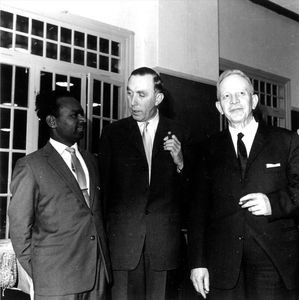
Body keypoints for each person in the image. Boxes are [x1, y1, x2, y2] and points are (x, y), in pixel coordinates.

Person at [188, 69, 299, 300]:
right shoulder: (206, 149)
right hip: (223, 267)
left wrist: (275, 203)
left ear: (254, 100)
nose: (235, 101)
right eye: (226, 96)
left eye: (241, 93)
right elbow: (197, 210)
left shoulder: (286, 141)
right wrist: (197, 263)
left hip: (274, 262)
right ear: (219, 107)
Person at [8, 90, 112, 300]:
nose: (83, 119)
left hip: (98, 278)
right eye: (74, 115)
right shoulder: (31, 166)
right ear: (52, 121)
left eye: (82, 114)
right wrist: (43, 273)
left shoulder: (92, 161)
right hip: (56, 282)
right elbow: (19, 231)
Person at [99, 67, 191, 300]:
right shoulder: (112, 134)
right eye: (130, 93)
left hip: (164, 246)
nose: (133, 102)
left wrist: (180, 162)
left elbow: (193, 194)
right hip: (123, 247)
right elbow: (104, 195)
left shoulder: (181, 132)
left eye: (141, 95)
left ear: (158, 98)